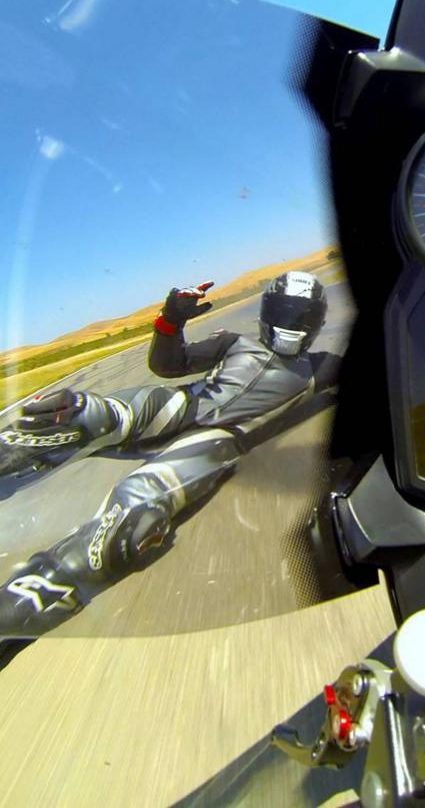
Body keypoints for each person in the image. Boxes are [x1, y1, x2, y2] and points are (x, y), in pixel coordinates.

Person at [0, 272, 340, 638]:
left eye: (300, 317)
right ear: (267, 312)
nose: (290, 324)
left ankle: (33, 594)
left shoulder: (318, 367)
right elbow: (168, 365)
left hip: (218, 439)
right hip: (180, 407)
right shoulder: (233, 343)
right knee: (75, 413)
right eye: (284, 312)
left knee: (135, 513)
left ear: (316, 324)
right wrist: (169, 322)